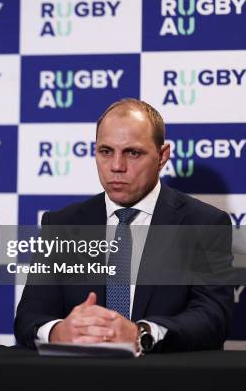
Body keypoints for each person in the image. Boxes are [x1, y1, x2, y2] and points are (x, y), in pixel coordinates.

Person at [14, 98, 233, 353]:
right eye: (106, 152)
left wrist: (142, 334)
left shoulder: (204, 224)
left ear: (162, 156)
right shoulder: (63, 224)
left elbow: (213, 319)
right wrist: (56, 331)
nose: (117, 166)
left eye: (133, 152)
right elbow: (29, 318)